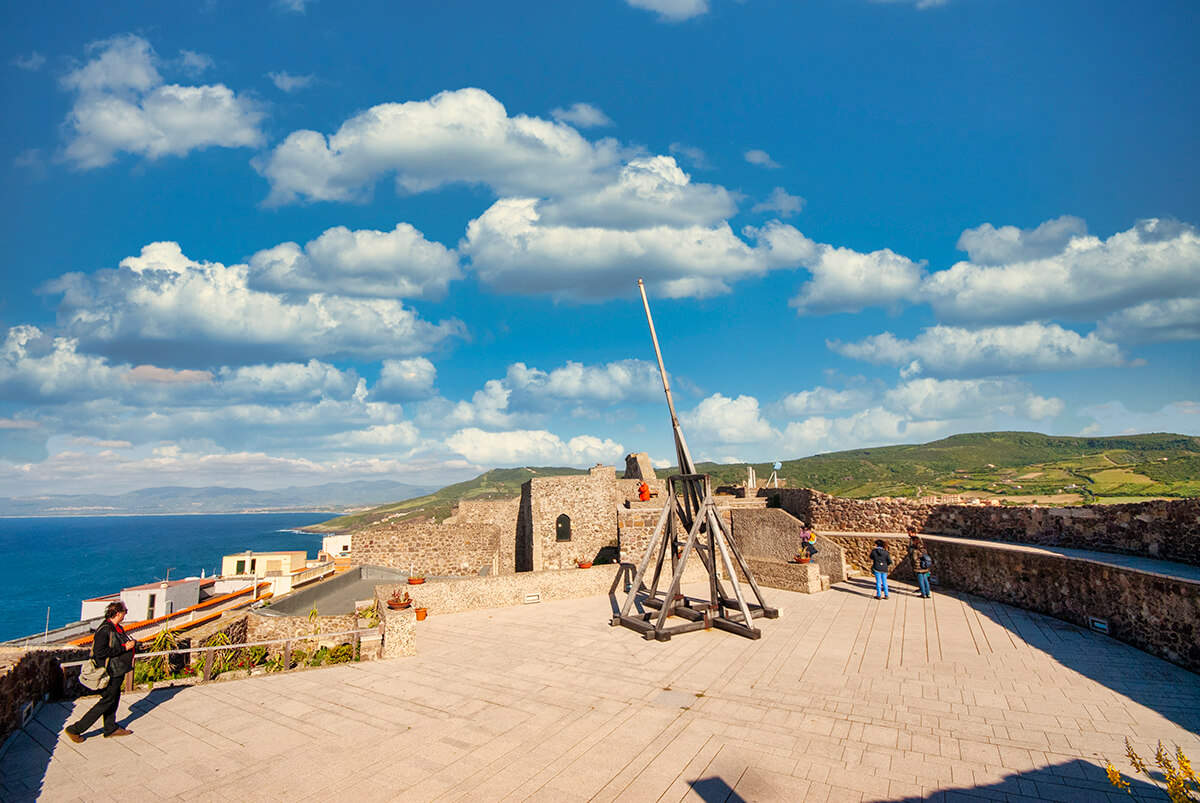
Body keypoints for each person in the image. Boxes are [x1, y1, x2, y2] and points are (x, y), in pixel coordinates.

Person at [65, 601, 137, 742]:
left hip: (117, 670)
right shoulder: (105, 629)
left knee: (113, 699)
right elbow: (100, 652)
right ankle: (75, 729)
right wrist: (124, 648)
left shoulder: (116, 628)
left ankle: (111, 728)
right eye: (124, 612)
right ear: (118, 613)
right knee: (107, 701)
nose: (125, 614)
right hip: (109, 672)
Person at [910, 531, 932, 599]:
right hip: (925, 567)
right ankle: (928, 593)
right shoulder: (923, 548)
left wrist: (915, 565)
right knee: (926, 580)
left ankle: (923, 593)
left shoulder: (915, 550)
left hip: (919, 567)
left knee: (921, 581)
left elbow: (914, 558)